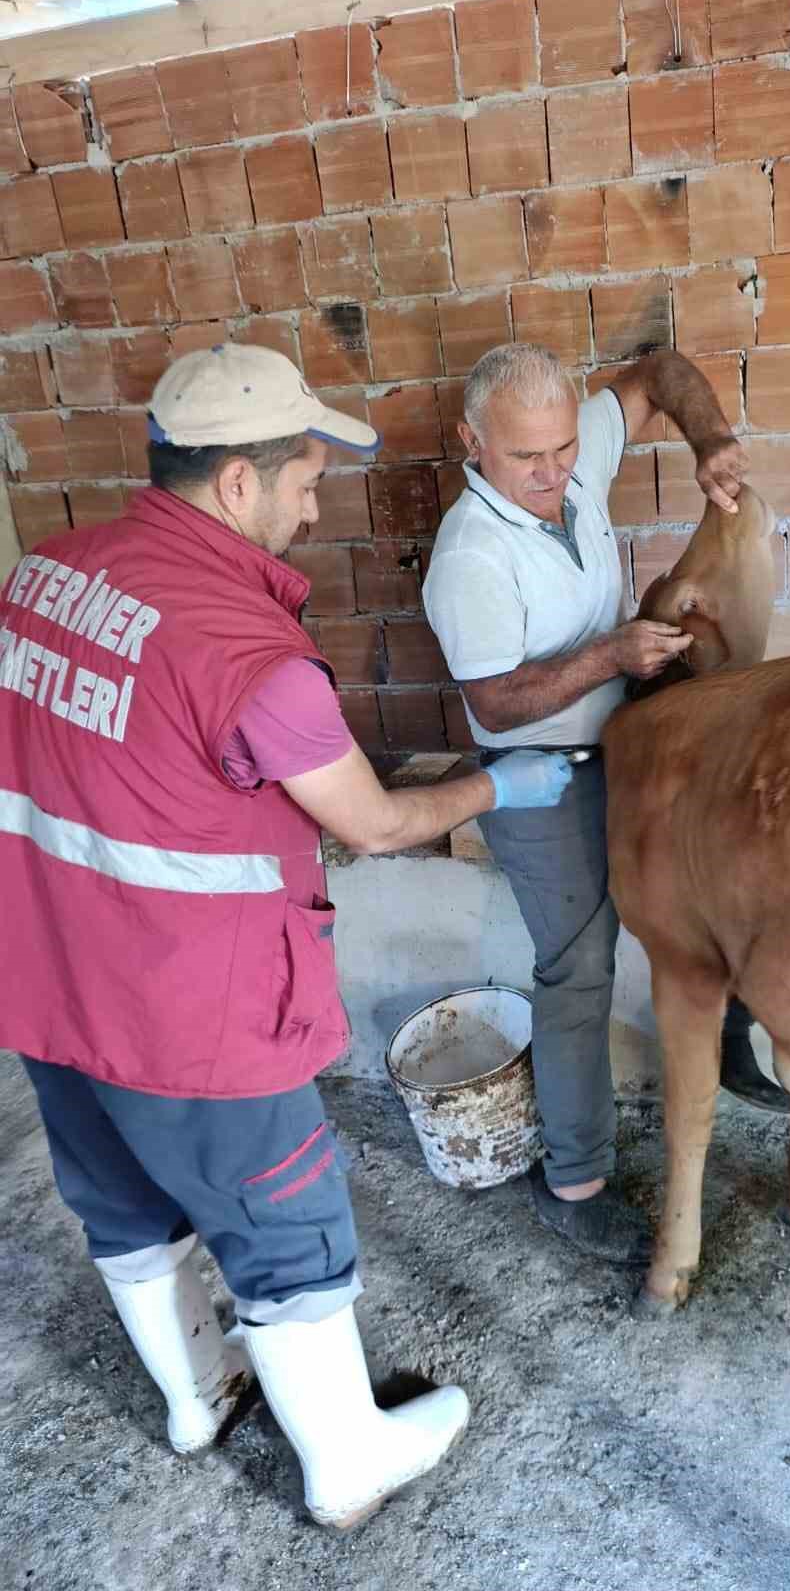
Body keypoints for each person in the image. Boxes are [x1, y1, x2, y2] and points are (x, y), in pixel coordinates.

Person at [0, 344, 570, 1528]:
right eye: (304, 483)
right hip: (193, 1012)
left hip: (45, 980)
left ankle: (197, 1396)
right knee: (284, 1224)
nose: (313, 511)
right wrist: (495, 786)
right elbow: (371, 823)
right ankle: (349, 1461)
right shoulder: (250, 658)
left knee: (121, 1199)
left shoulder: (46, 577)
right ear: (236, 484)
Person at [422, 344, 790, 1270]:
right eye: (526, 458)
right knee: (579, 967)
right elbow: (495, 702)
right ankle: (574, 1186)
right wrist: (610, 657)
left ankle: (728, 1036)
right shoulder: (469, 558)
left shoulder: (569, 446)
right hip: (538, 772)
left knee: (720, 879)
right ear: (472, 440)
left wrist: (710, 440)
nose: (554, 473)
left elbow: (661, 372)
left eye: (562, 450)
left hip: (629, 737)